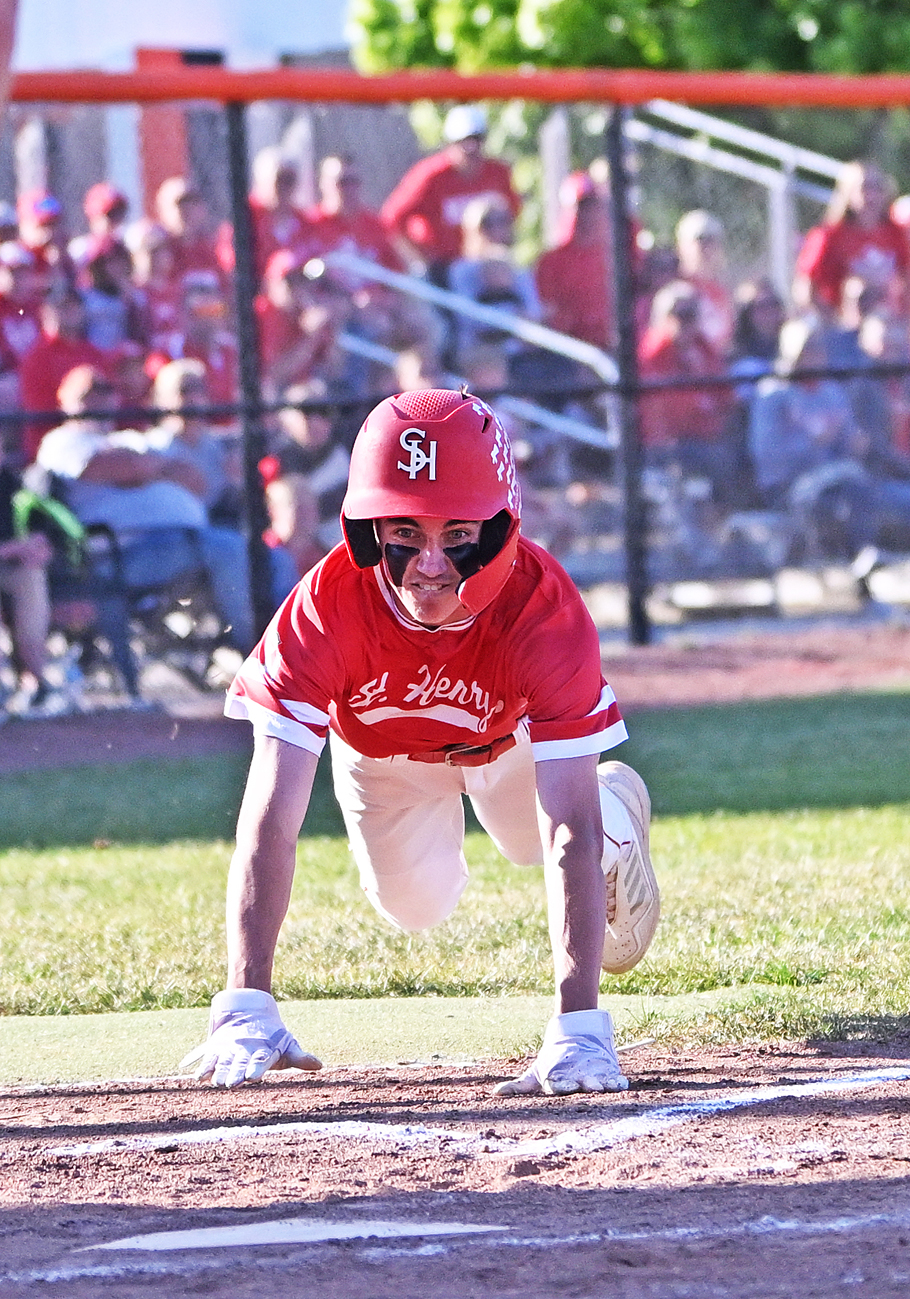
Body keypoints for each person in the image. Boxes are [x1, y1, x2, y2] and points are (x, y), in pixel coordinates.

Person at [181, 387, 660, 1094]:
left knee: (538, 841)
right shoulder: (324, 607)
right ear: (370, 529)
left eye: (458, 537)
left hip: (505, 748)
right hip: (382, 759)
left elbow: (567, 828)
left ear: (501, 528)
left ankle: (619, 811)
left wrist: (579, 1027)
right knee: (414, 905)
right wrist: (246, 1001)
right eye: (405, 535)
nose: (431, 565)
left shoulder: (544, 609)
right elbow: (270, 815)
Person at [381, 105, 521, 286]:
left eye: (477, 140)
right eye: (464, 142)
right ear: (450, 144)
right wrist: (421, 258)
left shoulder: (497, 172)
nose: (471, 149)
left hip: (489, 266)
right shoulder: (431, 176)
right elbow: (392, 218)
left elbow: (512, 211)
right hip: (443, 268)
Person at [794, 161, 908, 318]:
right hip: (843, 324)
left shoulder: (896, 233)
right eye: (865, 188)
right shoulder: (827, 236)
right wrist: (833, 323)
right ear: (848, 192)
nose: (872, 196)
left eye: (878, 188)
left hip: (888, 324)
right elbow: (805, 289)